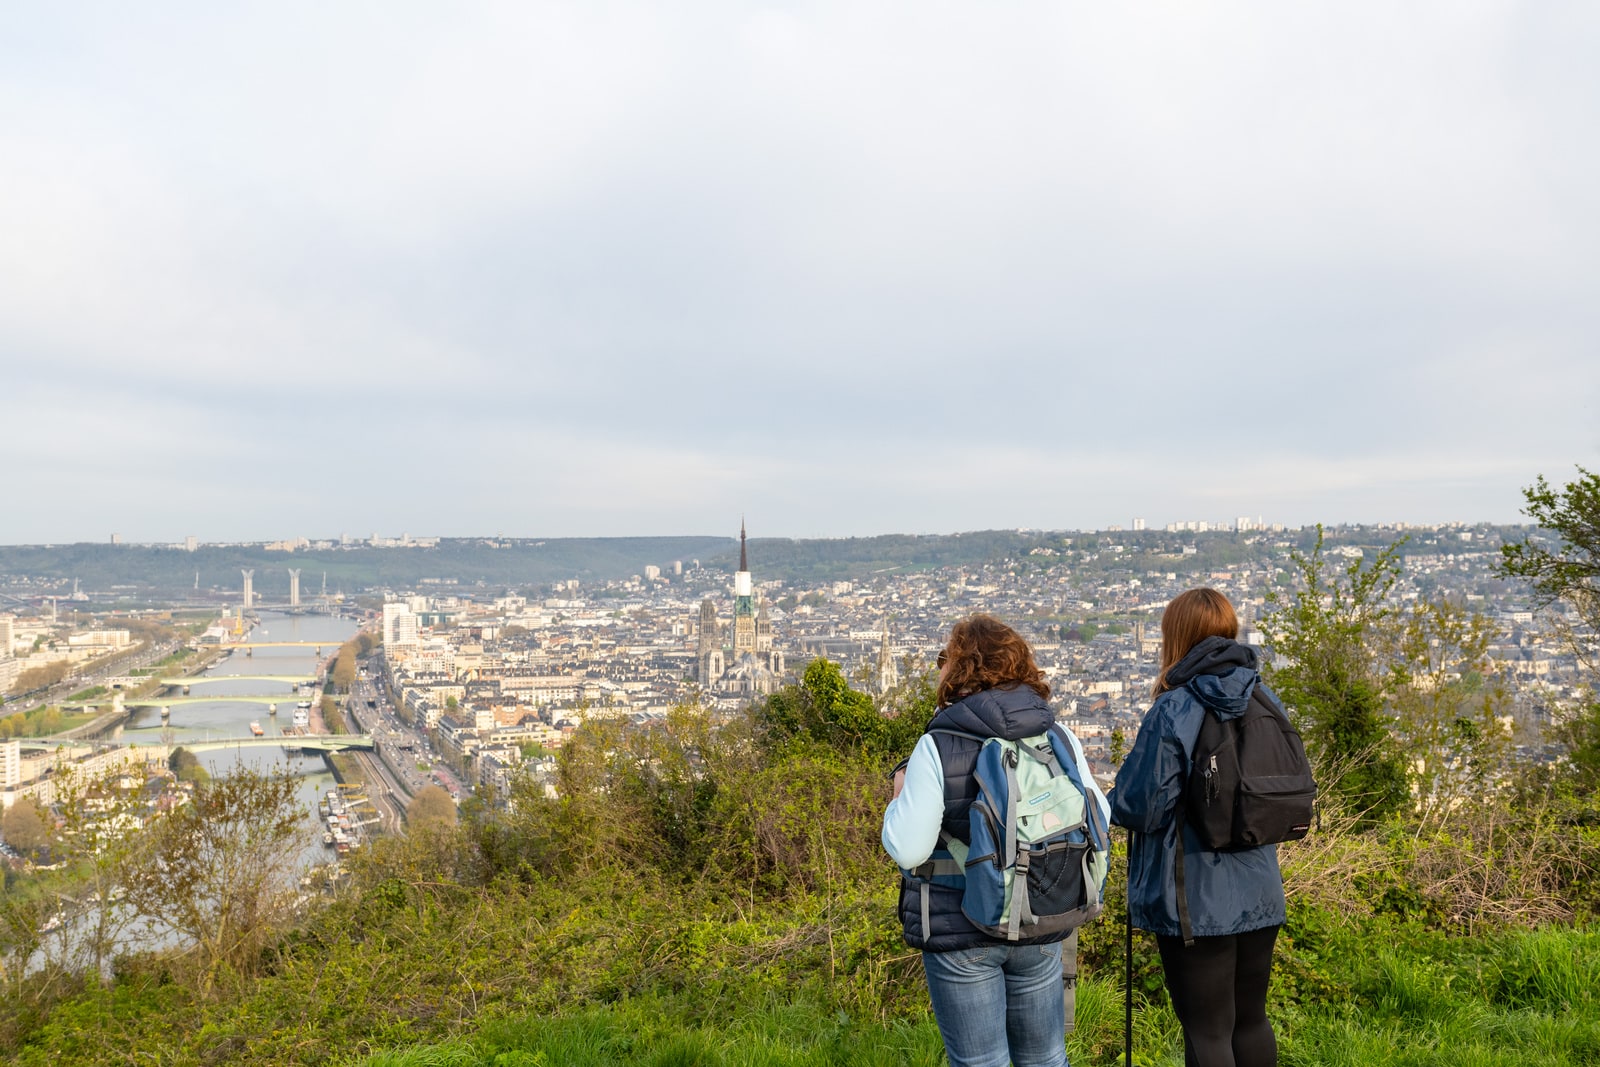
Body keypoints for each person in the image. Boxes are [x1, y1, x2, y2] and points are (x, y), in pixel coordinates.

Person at [883, 613, 1107, 1067]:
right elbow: (1098, 815)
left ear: (959, 669)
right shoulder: (1056, 736)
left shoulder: (939, 743)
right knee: (1045, 1058)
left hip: (961, 927)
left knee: (981, 1061)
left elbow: (908, 848)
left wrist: (898, 795)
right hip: (1040, 912)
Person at [1110, 588, 1285, 1067]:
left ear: (1176, 638)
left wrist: (1099, 801)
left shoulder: (1175, 707)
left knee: (1207, 1033)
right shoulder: (1263, 695)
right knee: (1251, 1020)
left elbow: (1143, 805)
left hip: (1196, 895)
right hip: (1260, 888)